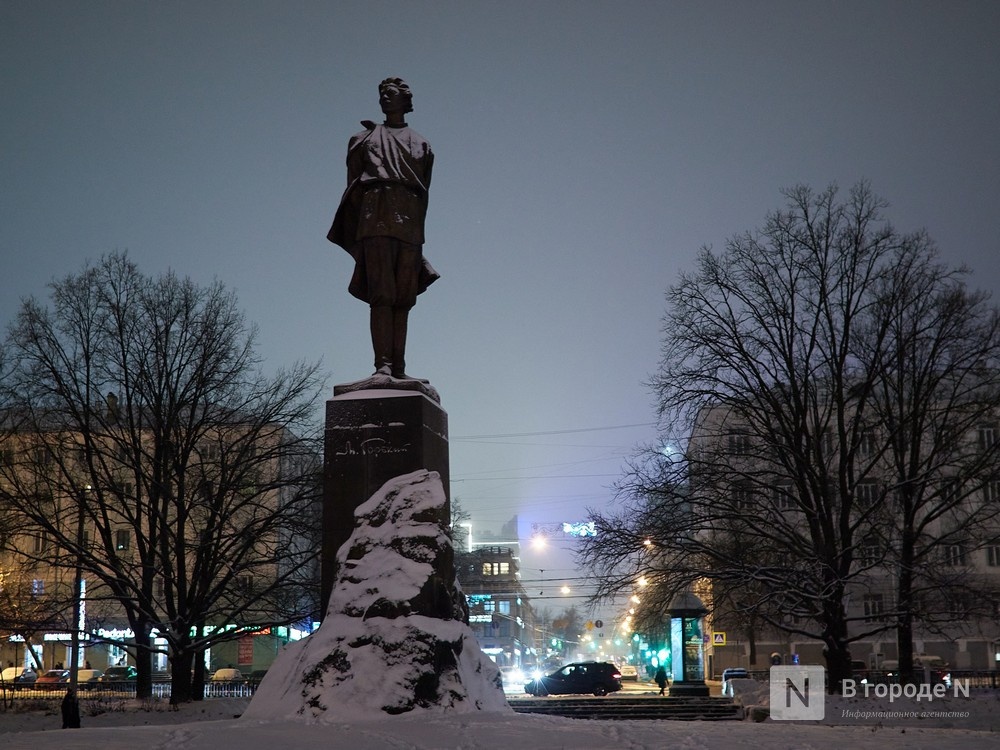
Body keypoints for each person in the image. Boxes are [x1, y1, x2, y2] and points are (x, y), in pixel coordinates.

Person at [327, 77, 438, 380]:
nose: (384, 99)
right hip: (375, 216)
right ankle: (383, 366)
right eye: (381, 95)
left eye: (390, 94)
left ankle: (399, 369)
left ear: (405, 99)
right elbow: (352, 184)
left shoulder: (423, 144)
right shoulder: (363, 139)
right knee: (382, 295)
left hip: (410, 222)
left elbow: (423, 188)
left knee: (404, 298)